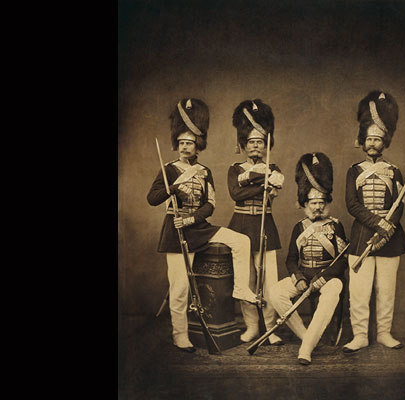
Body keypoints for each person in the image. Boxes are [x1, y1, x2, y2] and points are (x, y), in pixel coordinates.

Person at [147, 97, 257, 353]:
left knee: (241, 241)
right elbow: (151, 199)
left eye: (191, 143)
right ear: (177, 144)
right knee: (180, 287)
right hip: (175, 230)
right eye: (182, 143)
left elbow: (210, 205)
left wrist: (192, 218)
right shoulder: (168, 170)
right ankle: (180, 335)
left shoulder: (205, 171)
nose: (186, 147)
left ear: (198, 145)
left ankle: (241, 288)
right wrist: (172, 188)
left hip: (199, 226)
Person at [343, 90, 405, 354]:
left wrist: (389, 225)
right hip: (362, 234)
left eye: (378, 139)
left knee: (386, 289)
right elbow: (352, 205)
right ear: (362, 141)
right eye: (369, 138)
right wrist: (378, 224)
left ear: (384, 143)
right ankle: (360, 335)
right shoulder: (354, 171)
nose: (373, 143)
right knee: (359, 290)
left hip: (391, 237)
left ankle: (383, 333)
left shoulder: (394, 171)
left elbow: (399, 204)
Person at [268, 152, 348, 365]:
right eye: (312, 202)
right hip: (305, 276)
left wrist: (323, 278)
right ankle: (308, 337)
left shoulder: (336, 226)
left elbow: (342, 261)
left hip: (328, 278)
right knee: (275, 292)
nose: (317, 206)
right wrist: (298, 278)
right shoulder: (299, 228)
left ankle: (305, 349)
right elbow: (291, 260)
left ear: (326, 202)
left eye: (321, 201)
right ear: (305, 203)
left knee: (333, 291)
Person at [227, 99, 285, 345]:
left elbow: (273, 192)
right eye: (250, 142)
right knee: (246, 280)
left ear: (266, 145)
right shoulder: (234, 168)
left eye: (260, 142)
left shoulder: (274, 168)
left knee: (268, 279)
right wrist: (260, 182)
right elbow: (235, 194)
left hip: (265, 225)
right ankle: (251, 326)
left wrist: (260, 182)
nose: (255, 146)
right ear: (243, 144)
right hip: (240, 225)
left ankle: (270, 327)